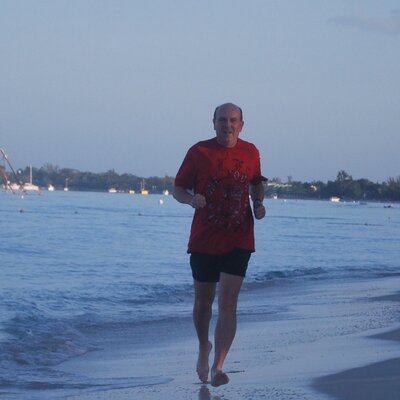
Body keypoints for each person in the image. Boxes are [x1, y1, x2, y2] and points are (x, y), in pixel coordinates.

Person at [173, 102, 267, 387]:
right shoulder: (199, 152)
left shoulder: (251, 152)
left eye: (233, 120)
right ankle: (204, 345)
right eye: (223, 120)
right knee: (203, 302)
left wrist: (259, 202)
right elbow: (177, 189)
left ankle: (218, 367)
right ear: (213, 123)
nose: (228, 125)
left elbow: (255, 182)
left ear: (242, 124)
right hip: (204, 238)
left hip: (239, 237)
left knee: (228, 302)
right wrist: (191, 199)